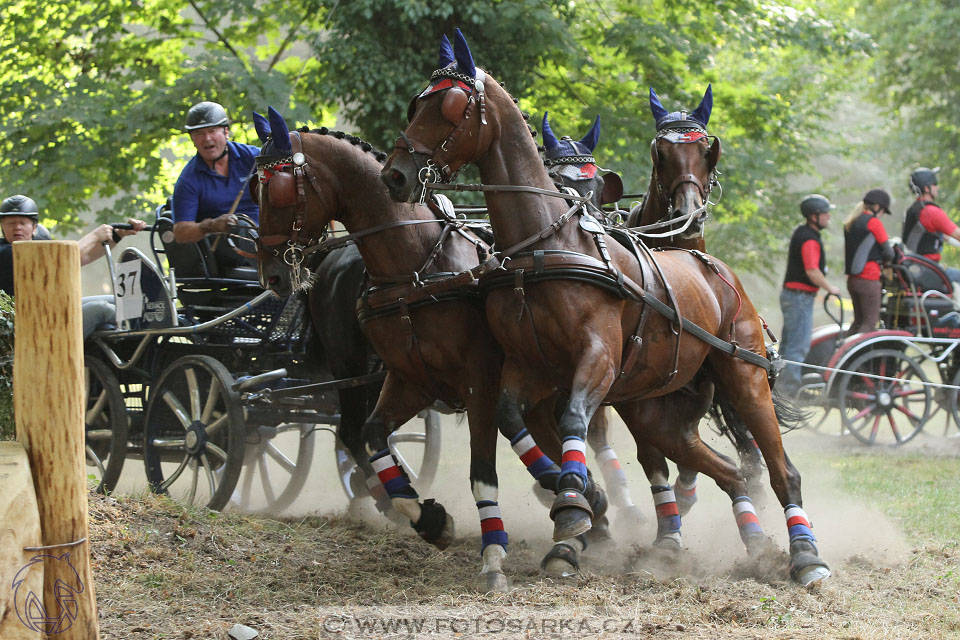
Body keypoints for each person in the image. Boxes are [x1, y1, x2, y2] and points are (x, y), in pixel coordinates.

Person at [0, 194, 146, 338]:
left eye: (22, 223)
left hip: (53, 312)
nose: (17, 228)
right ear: (2, 227)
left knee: (121, 301)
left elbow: (83, 257)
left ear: (34, 227)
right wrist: (95, 235)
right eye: (11, 223)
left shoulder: (39, 248)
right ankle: (131, 345)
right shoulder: (6, 252)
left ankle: (144, 348)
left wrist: (118, 235)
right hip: (36, 327)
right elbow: (66, 258)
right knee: (101, 309)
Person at [172, 101, 259, 268]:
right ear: (192, 139)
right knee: (240, 228)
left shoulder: (253, 157)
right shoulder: (188, 180)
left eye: (212, 131)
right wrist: (211, 225)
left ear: (226, 132)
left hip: (267, 236)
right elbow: (180, 232)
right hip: (226, 247)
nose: (207, 138)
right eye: (198, 133)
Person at [778, 194, 842, 395]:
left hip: (794, 296)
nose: (828, 217)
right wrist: (830, 288)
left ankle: (779, 387)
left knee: (788, 345)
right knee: (797, 347)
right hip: (799, 298)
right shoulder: (809, 239)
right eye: (825, 213)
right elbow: (812, 271)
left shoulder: (803, 233)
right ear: (814, 216)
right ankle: (789, 389)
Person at [843, 189, 895, 335]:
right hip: (869, 280)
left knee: (857, 322)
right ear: (877, 207)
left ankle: (843, 350)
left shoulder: (851, 223)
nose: (882, 214)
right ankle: (859, 355)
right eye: (883, 211)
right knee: (870, 324)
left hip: (853, 281)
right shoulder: (873, 223)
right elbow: (889, 252)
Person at [902, 166, 960, 285]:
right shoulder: (931, 212)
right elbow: (958, 234)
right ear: (926, 188)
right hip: (930, 269)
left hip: (917, 267)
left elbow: (941, 236)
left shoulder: (913, 210)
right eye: (934, 184)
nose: (937, 187)